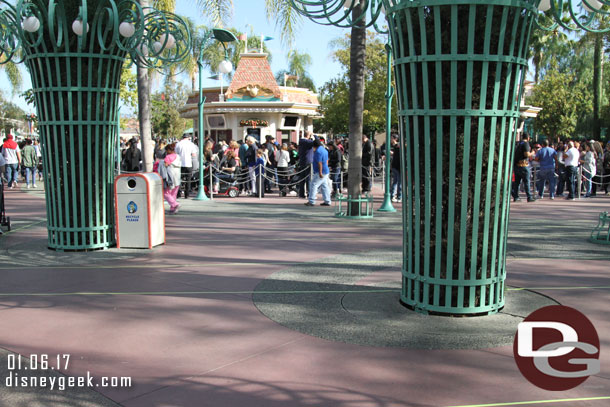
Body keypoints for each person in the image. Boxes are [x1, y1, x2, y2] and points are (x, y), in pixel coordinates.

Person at [305, 139, 331, 207]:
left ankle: (311, 201)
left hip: (320, 171)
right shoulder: (324, 150)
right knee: (324, 186)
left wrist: (320, 172)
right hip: (325, 170)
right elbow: (327, 160)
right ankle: (327, 201)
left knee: (314, 185)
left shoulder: (318, 152)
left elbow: (319, 163)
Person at [511, 133, 535, 202]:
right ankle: (529, 197)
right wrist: (532, 153)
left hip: (516, 165)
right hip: (523, 165)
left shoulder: (518, 144)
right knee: (526, 181)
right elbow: (526, 154)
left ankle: (516, 197)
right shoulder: (526, 144)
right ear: (528, 137)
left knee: (517, 182)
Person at [160, 143, 182, 214]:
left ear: (169, 150)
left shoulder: (168, 157)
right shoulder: (178, 156)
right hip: (177, 176)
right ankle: (173, 208)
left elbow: (165, 165)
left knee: (165, 193)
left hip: (170, 177)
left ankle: (175, 204)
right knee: (173, 193)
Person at [175, 134, 198, 199]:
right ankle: (186, 194)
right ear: (188, 138)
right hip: (188, 163)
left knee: (179, 179)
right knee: (188, 180)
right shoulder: (191, 144)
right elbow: (194, 155)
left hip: (180, 164)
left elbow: (176, 153)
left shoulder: (178, 144)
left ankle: (178, 194)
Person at [297, 131, 314, 198]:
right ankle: (309, 193)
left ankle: (301, 194)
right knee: (308, 178)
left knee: (302, 179)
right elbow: (315, 143)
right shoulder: (306, 142)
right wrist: (313, 137)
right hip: (308, 161)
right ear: (308, 135)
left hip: (302, 161)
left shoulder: (301, 141)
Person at [390, 136, 402, 202]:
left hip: (397, 166)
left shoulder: (397, 146)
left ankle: (395, 196)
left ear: (395, 139)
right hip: (397, 166)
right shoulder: (397, 146)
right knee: (397, 182)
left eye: (392, 138)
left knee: (397, 182)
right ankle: (397, 196)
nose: (391, 140)